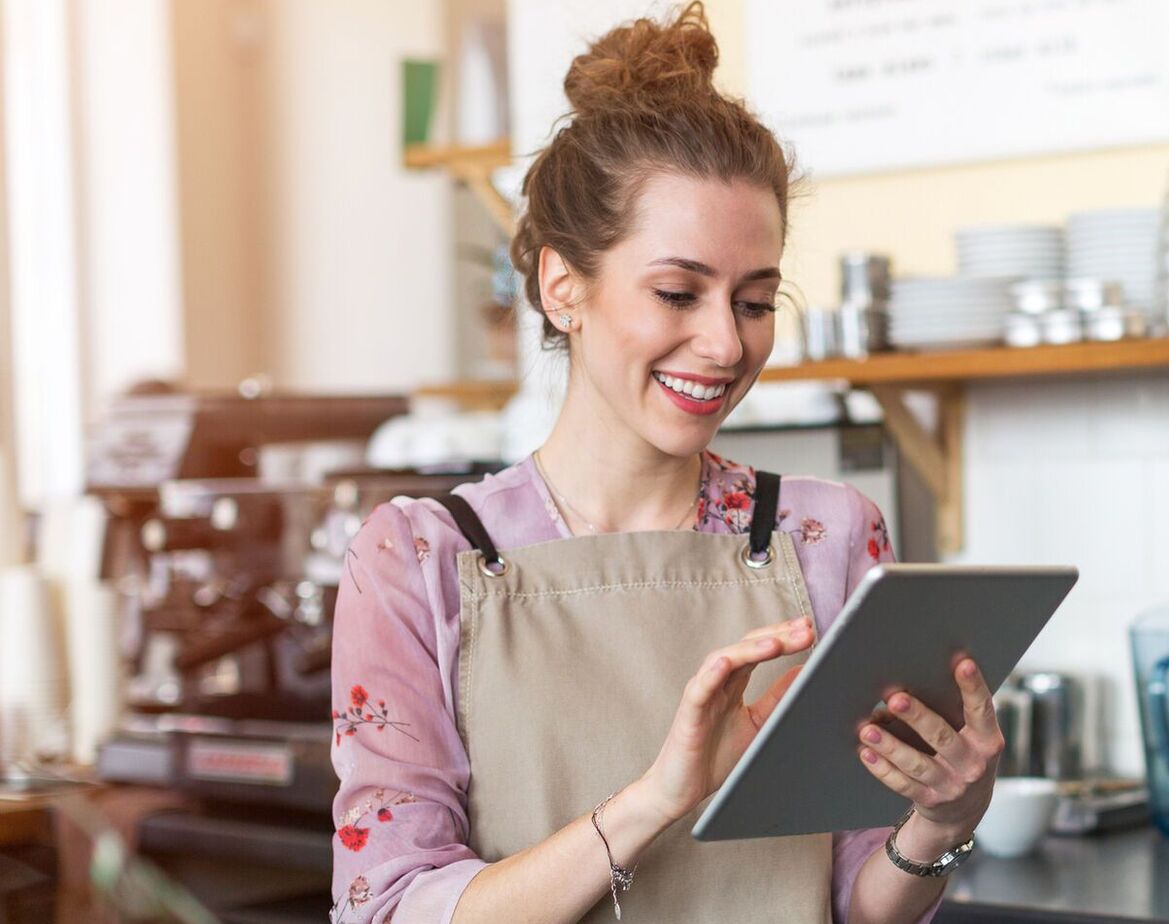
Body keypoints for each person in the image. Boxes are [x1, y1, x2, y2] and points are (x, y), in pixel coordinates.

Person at [327, 5, 999, 921]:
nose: (724, 343)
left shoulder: (828, 534)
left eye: (756, 301)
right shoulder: (418, 560)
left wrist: (941, 821)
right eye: (678, 292)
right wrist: (657, 797)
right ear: (564, 286)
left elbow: (853, 899)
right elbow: (388, 908)